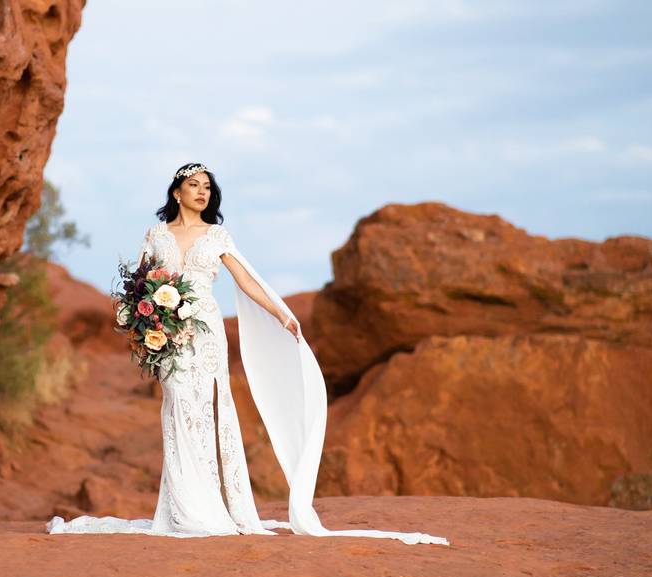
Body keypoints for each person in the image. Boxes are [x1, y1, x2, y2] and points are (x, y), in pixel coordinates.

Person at [46, 163, 450, 545]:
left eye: (207, 187)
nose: (202, 192)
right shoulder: (156, 234)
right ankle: (184, 507)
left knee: (205, 408)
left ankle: (209, 507)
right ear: (176, 192)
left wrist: (281, 314)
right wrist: (139, 321)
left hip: (205, 330)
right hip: (167, 333)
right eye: (194, 186)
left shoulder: (218, 236)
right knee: (178, 404)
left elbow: (246, 280)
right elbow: (139, 284)